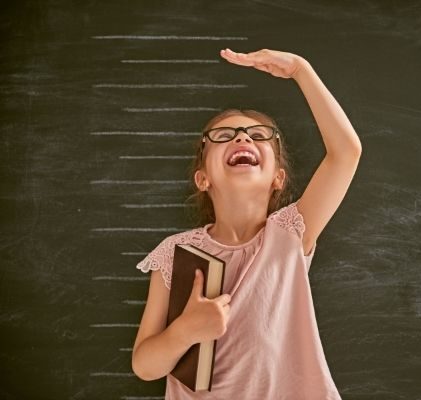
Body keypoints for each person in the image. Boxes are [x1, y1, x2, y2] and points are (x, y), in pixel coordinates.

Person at [131, 48, 362, 399]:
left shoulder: (290, 233)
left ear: (278, 178)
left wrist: (301, 70)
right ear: (203, 178)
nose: (242, 138)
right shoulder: (176, 252)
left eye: (258, 136)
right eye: (224, 136)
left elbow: (346, 152)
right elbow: (145, 365)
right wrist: (185, 331)